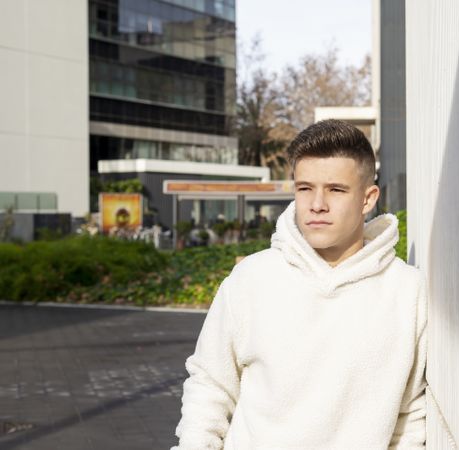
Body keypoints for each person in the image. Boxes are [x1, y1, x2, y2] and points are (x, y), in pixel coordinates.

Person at [171, 119, 428, 449]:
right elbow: (209, 388)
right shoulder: (252, 279)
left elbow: (411, 415)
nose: (316, 204)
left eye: (336, 189)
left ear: (368, 199)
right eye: (305, 188)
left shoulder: (407, 292)